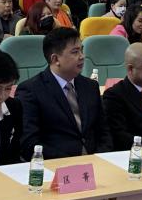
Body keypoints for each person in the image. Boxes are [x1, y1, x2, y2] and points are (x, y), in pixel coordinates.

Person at [16, 27, 109, 158]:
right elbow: (29, 143)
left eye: (81, 50)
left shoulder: (91, 86)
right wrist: (69, 163)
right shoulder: (31, 90)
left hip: (96, 162)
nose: (82, 56)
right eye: (75, 52)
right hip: (57, 164)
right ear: (55, 59)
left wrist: (100, 157)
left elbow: (104, 132)